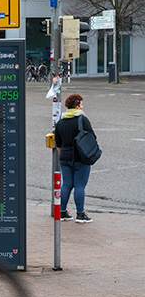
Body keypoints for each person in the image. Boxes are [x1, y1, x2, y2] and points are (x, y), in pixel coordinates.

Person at [54, 93, 96, 223]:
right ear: (77, 106)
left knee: (66, 184)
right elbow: (92, 137)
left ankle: (62, 212)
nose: (82, 107)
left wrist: (63, 154)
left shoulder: (61, 121)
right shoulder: (82, 119)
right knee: (80, 186)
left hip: (64, 158)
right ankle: (80, 214)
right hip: (80, 157)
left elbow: (58, 143)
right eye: (81, 104)